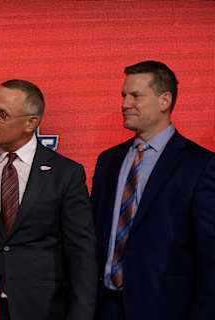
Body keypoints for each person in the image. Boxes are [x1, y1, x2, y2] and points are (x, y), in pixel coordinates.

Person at [91, 60, 215, 320]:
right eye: (124, 95)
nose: (125, 104)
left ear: (164, 101)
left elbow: (209, 254)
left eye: (136, 96)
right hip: (105, 308)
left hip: (165, 310)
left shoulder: (199, 164)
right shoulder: (107, 161)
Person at [0, 79, 97, 320]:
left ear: (31, 122)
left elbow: (81, 253)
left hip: (44, 309)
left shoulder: (66, 174)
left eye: (2, 114)